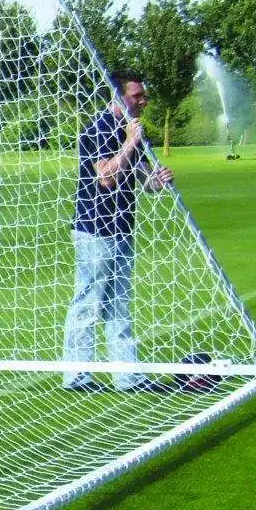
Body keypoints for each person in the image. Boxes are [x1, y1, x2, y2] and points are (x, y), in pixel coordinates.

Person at [61, 70, 174, 393]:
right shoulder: (99, 129)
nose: (143, 101)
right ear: (118, 97)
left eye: (143, 95)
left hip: (123, 227)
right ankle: (77, 376)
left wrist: (159, 179)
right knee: (87, 303)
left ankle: (128, 377)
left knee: (119, 305)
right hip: (95, 230)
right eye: (137, 96)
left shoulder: (132, 131)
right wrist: (130, 142)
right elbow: (106, 177)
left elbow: (145, 181)